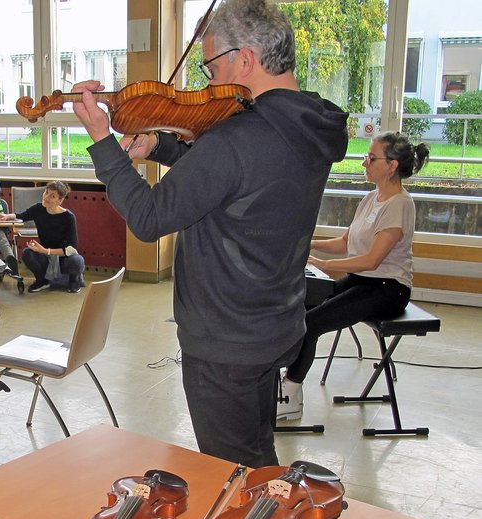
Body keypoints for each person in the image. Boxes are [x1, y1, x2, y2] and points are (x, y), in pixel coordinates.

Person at [70, 0, 349, 468]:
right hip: (275, 322)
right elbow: (237, 181)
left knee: (232, 471)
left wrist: (102, 141)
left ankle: (264, 518)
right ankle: (271, 507)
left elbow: (150, 217)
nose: (209, 81)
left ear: (245, 59)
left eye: (212, 66)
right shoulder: (307, 125)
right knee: (255, 451)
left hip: (226, 339)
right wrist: (160, 145)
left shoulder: (236, 138)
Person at [277, 132, 430, 420]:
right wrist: (306, 244)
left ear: (392, 165)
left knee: (311, 324)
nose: (364, 163)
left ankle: (291, 396)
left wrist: (324, 264)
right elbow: (345, 243)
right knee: (302, 306)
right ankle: (287, 382)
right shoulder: (371, 198)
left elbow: (372, 260)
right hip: (363, 282)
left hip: (387, 289)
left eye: (371, 158)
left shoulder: (399, 204)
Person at [7, 180, 84, 293]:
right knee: (27, 253)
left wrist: (45, 250)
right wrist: (6, 216)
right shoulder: (38, 209)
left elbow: (72, 249)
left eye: (52, 196)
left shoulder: (68, 217)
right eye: (46, 192)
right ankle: (42, 281)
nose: (46, 197)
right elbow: (21, 216)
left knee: (77, 261)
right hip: (45, 255)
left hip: (62, 257)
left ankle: (74, 281)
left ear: (60, 200)